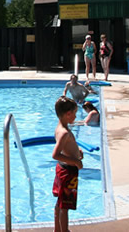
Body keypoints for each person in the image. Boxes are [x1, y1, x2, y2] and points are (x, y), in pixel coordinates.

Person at [51, 96, 83, 232]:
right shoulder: (64, 133)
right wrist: (75, 161)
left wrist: (77, 150)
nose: (75, 116)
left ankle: (57, 229)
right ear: (68, 114)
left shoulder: (60, 127)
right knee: (65, 206)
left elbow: (66, 148)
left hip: (62, 169)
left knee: (60, 202)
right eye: (74, 114)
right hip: (68, 172)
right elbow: (55, 154)